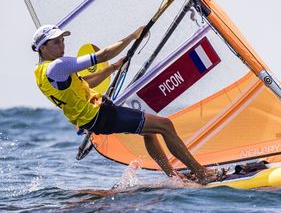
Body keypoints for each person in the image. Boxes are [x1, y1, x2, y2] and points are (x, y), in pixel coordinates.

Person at [32, 24, 217, 184]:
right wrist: (133, 36)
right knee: (165, 125)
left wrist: (114, 67)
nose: (62, 45)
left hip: (93, 119)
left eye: (62, 40)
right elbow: (103, 55)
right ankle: (201, 174)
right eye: (55, 42)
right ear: (42, 48)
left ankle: (173, 176)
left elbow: (84, 83)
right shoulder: (58, 65)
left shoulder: (41, 72)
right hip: (100, 115)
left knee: (150, 132)